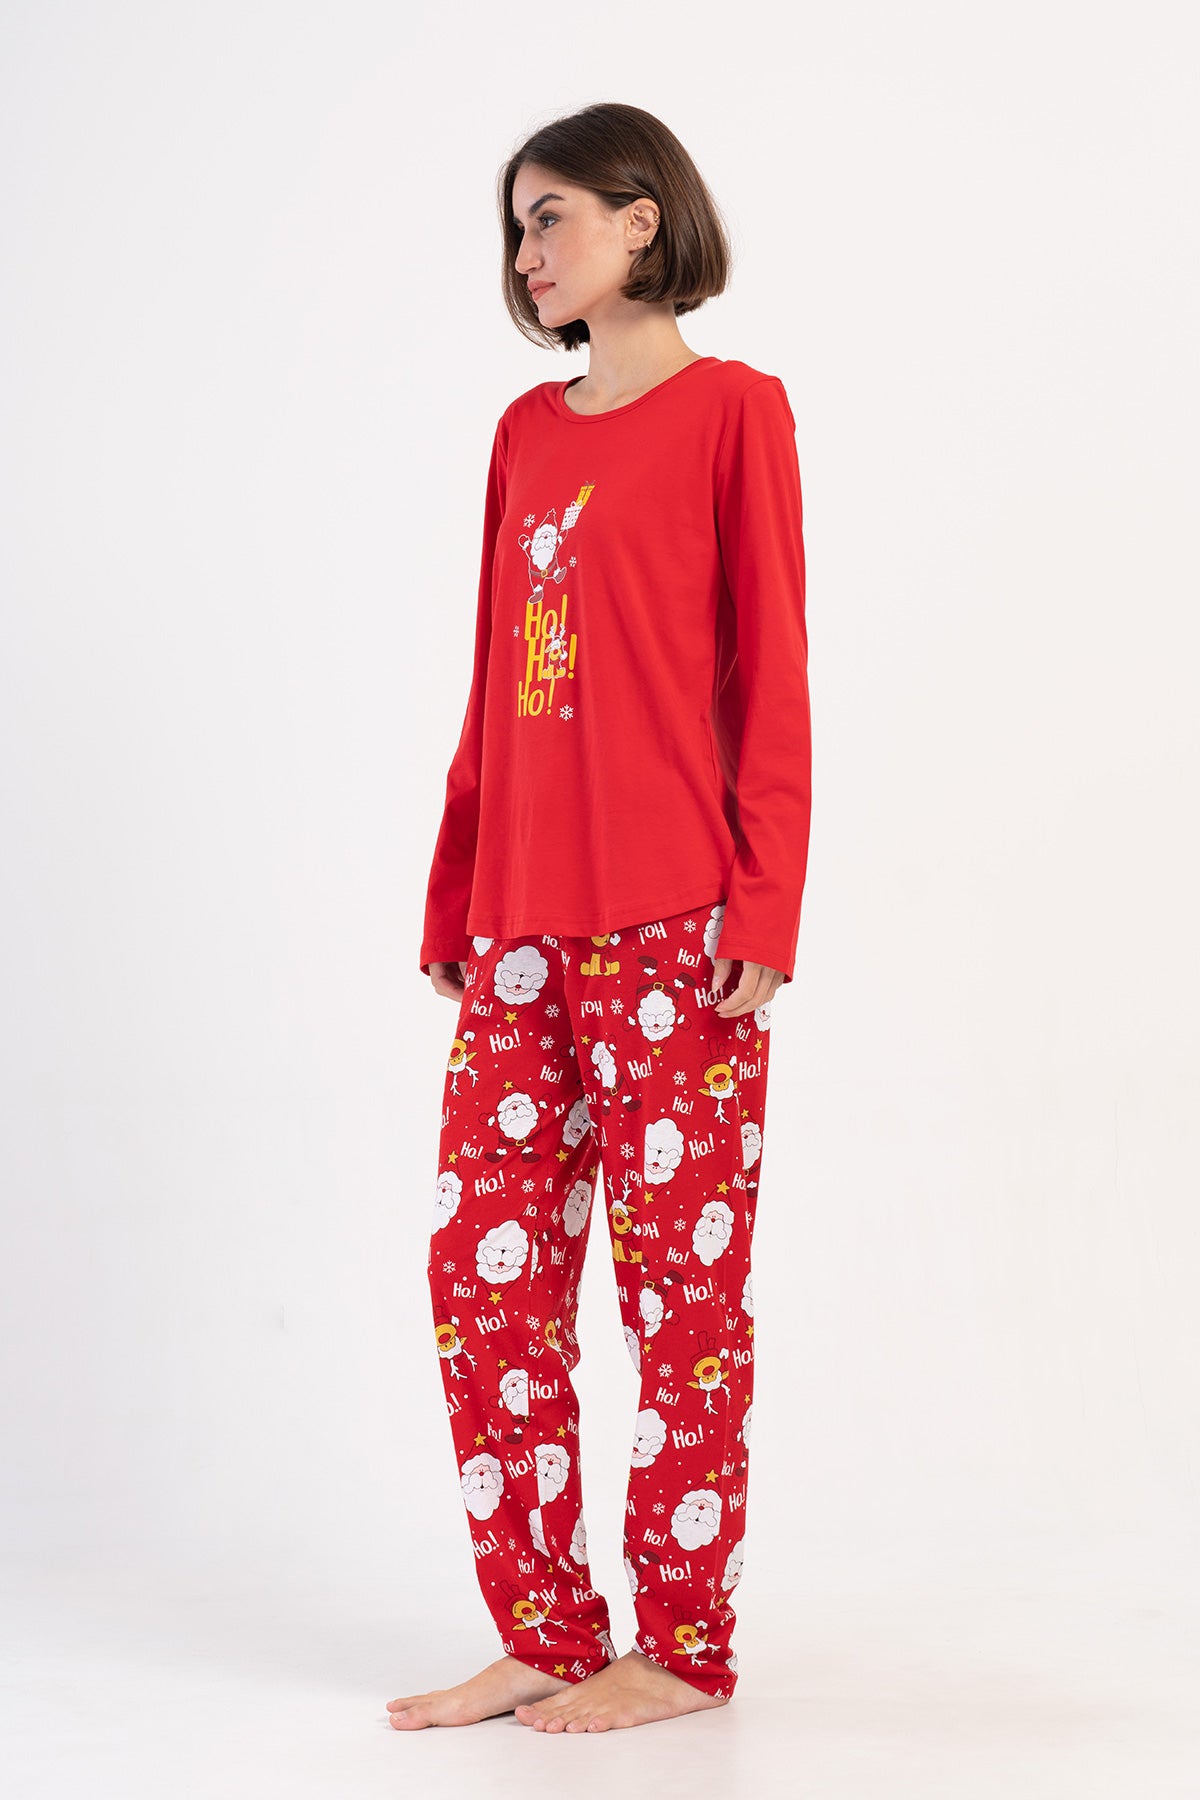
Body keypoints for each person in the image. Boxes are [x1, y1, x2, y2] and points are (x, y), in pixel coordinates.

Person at [388, 101, 811, 1735]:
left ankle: (684, 1648)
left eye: (551, 216)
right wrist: (458, 881)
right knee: (484, 1284)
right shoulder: (525, 431)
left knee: (679, 1303)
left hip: (674, 925)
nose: (526, 253)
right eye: (516, 228)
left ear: (644, 220)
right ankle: (550, 1626)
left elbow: (771, 675)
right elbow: (495, 668)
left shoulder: (735, 413)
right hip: (517, 924)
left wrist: (765, 898)